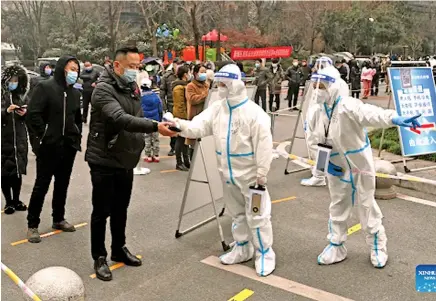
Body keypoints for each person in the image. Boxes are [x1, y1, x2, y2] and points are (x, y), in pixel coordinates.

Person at [306, 66, 421, 268]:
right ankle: (336, 244)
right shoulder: (316, 111)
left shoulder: (347, 106)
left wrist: (394, 118)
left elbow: (370, 113)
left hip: (359, 164)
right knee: (338, 204)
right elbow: (313, 140)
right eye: (315, 85)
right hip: (336, 166)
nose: (317, 90)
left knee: (367, 204)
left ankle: (377, 246)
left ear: (332, 87)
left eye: (322, 86)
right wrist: (322, 164)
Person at [173, 64, 276, 277]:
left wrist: (262, 174)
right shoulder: (218, 109)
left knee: (257, 216)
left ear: (236, 84)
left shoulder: (254, 114)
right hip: (228, 175)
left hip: (251, 177)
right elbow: (198, 126)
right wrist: (178, 125)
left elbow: (264, 145)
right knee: (237, 214)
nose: (221, 88)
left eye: (225, 84)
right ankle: (242, 246)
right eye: (218, 83)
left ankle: (264, 252)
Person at [84, 47, 177, 281]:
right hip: (104, 158)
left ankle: (119, 248)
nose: (136, 71)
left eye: (139, 66)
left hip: (125, 157)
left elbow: (136, 115)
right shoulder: (103, 90)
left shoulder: (132, 87)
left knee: (120, 208)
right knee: (101, 211)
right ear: (117, 66)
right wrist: (155, 127)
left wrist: (158, 121)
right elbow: (120, 118)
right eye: (132, 66)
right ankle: (99, 256)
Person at [26, 55, 83, 243]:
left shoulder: (75, 93)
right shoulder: (45, 87)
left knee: (62, 184)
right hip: (49, 147)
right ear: (61, 68)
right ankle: (32, 224)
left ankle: (58, 218)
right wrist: (43, 137)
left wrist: (76, 137)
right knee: (42, 185)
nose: (74, 72)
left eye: (76, 69)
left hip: (68, 147)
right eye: (70, 68)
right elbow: (33, 115)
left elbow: (77, 118)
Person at [301, 56, 336, 187]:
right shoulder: (319, 77)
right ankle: (318, 172)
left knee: (320, 144)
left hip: (324, 115)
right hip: (315, 113)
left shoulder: (332, 78)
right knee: (314, 143)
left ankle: (320, 173)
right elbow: (312, 98)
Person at [1, 65, 29, 214]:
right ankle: (8, 202)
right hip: (3, 140)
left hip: (19, 139)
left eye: (16, 80)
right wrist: (6, 111)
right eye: (11, 80)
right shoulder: (1, 96)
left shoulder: (21, 96)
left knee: (17, 171)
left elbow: (30, 114)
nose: (14, 82)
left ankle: (17, 200)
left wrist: (24, 113)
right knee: (5, 172)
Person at [185, 64, 209, 160]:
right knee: (194, 145)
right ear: (195, 73)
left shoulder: (207, 85)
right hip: (195, 117)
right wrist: (205, 95)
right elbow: (192, 99)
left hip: (206, 117)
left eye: (205, 72)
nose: (204, 74)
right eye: (202, 72)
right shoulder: (190, 86)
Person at [160, 58, 182, 156]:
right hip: (171, 105)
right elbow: (162, 92)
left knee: (183, 126)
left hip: (182, 105)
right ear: (173, 64)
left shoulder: (184, 74)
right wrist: (164, 106)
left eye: (180, 64)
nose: (178, 66)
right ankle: (173, 147)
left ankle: (182, 148)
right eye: (177, 64)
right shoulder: (167, 76)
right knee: (172, 127)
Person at [172, 66, 191, 171]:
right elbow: (180, 105)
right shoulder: (179, 87)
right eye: (188, 73)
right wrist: (184, 118)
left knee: (184, 139)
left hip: (183, 116)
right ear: (184, 74)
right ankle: (179, 162)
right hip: (181, 116)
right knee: (180, 139)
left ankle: (186, 161)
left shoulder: (183, 86)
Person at [140, 78, 162, 163]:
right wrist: (160, 119)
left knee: (147, 138)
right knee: (156, 138)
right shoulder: (155, 96)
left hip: (145, 121)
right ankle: (156, 155)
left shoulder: (140, 97)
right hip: (155, 120)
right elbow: (160, 109)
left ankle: (148, 155)